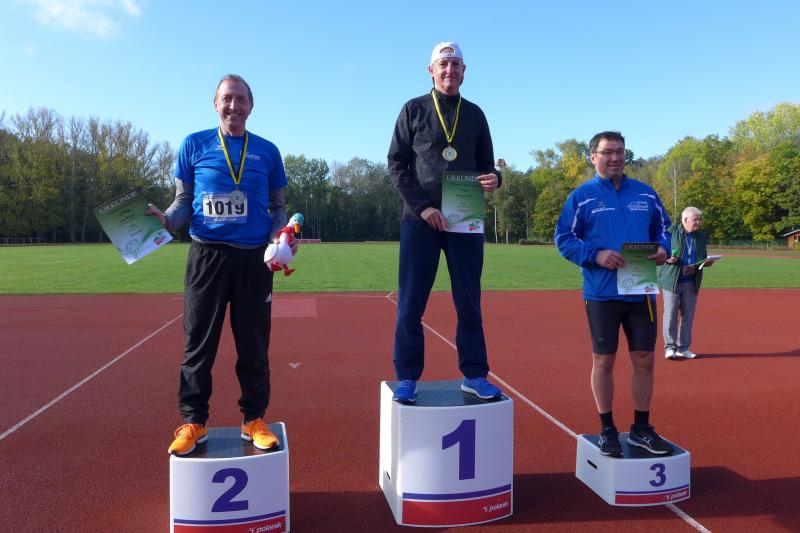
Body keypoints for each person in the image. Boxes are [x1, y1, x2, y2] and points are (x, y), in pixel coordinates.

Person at [146, 74, 291, 456]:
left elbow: (277, 207)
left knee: (254, 345)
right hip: (206, 256)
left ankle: (254, 419)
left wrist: (278, 236)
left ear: (251, 106)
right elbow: (183, 202)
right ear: (215, 104)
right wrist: (167, 221)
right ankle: (194, 422)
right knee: (198, 344)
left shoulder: (268, 151)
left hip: (254, 259)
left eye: (241, 99)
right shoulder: (193, 144)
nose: (233, 105)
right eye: (227, 98)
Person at [387, 42, 502, 403]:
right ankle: (407, 377)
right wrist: (423, 207)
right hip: (420, 219)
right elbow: (397, 165)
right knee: (411, 303)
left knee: (469, 301)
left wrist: (495, 178)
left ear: (464, 71)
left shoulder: (475, 114)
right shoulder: (414, 109)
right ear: (431, 70)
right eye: (443, 64)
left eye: (455, 64)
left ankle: (475, 374)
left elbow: (487, 164)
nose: (449, 70)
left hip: (464, 218)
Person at [555, 131, 674, 458]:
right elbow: (564, 238)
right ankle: (607, 428)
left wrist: (663, 249)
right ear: (593, 157)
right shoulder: (582, 197)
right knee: (604, 360)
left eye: (620, 151)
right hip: (602, 292)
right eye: (608, 152)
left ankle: (640, 429)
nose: (615, 157)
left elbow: (664, 229)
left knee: (645, 359)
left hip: (640, 290)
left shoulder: (646, 194)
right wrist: (596, 255)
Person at [658, 206, 714, 360]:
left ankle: (683, 348)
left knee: (688, 316)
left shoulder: (701, 236)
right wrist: (667, 259)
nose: (698, 222)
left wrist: (706, 262)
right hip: (672, 280)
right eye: (695, 219)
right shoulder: (670, 232)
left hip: (691, 280)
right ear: (685, 220)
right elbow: (661, 251)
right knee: (670, 315)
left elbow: (702, 256)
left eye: (699, 219)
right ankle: (670, 347)